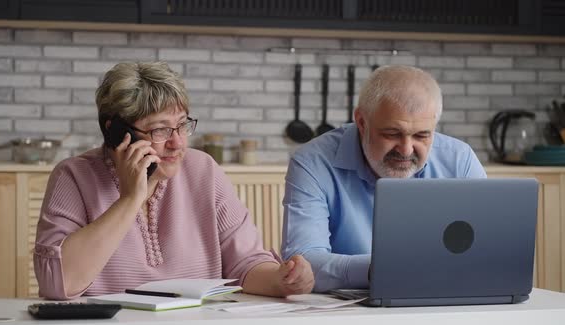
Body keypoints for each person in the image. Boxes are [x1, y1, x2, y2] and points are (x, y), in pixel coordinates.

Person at [34, 61, 314, 300]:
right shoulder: (73, 176)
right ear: (116, 132)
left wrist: (282, 280)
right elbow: (59, 283)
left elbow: (246, 264)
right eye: (160, 130)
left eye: (182, 125)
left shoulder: (204, 170)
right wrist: (131, 199)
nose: (177, 143)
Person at [281, 65, 486, 292]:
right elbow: (303, 264)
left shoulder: (460, 160)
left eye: (421, 135)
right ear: (361, 122)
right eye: (392, 134)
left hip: (446, 298)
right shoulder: (312, 162)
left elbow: (487, 248)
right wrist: (379, 269)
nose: (406, 150)